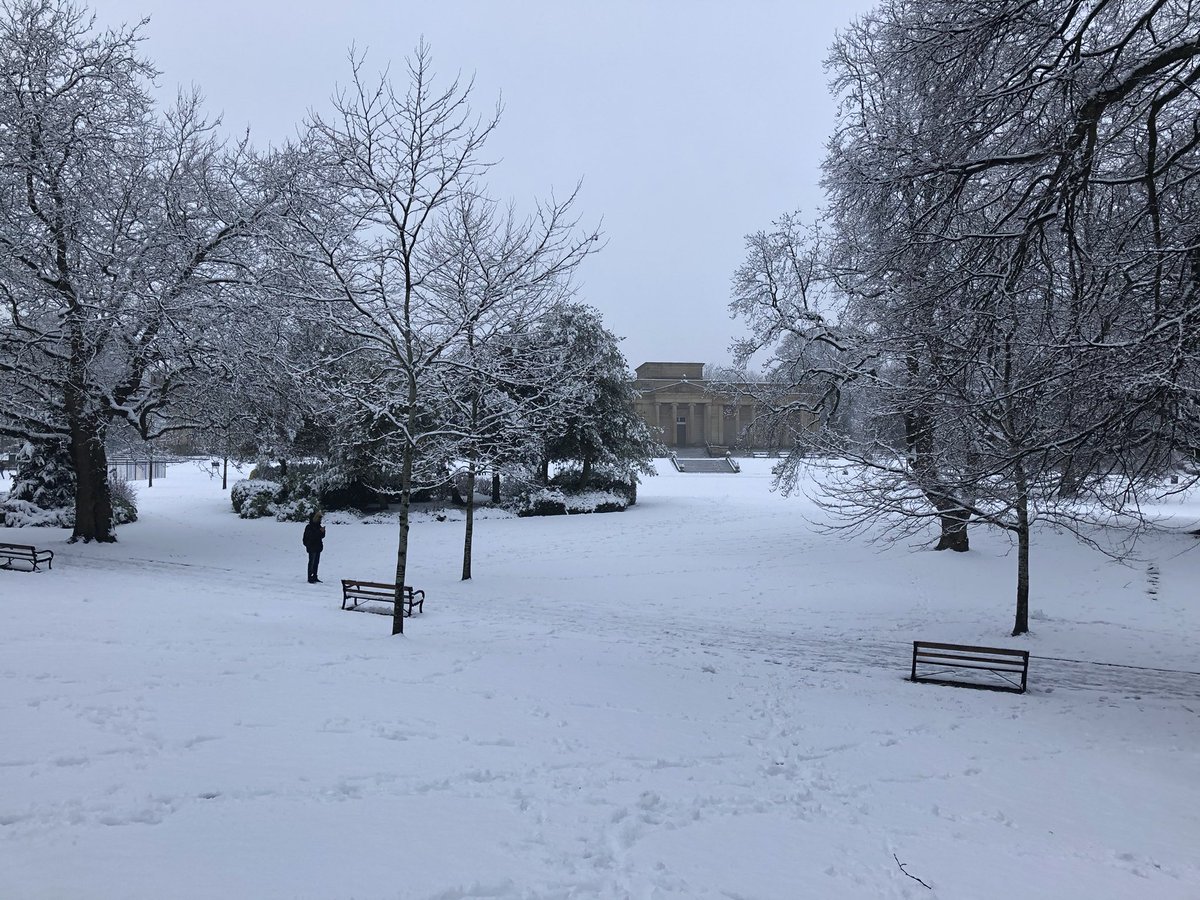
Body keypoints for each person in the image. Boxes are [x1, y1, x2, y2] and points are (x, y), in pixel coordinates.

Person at [302, 511, 326, 583]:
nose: (320, 520)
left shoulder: (318, 526)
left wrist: (323, 532)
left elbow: (321, 536)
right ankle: (310, 577)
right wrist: (319, 532)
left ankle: (315, 576)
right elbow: (311, 536)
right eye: (319, 518)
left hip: (318, 546)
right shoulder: (309, 527)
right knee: (311, 562)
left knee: (316, 562)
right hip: (311, 546)